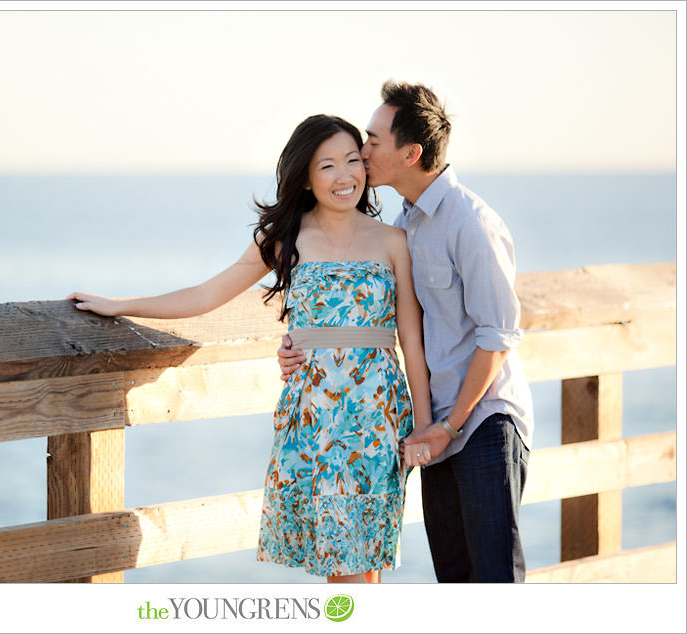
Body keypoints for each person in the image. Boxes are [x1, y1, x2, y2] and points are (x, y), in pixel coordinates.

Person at [68, 114, 432, 583]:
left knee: (367, 558)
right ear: (304, 176)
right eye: (327, 166)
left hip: (377, 415)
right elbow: (205, 295)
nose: (345, 177)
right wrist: (122, 305)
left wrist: (423, 427)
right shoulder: (284, 240)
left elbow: (412, 342)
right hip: (314, 414)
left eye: (351, 161)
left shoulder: (394, 241)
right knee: (342, 560)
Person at [278, 81, 535, 583]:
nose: (363, 151)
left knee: (495, 581)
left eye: (373, 142)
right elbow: (379, 315)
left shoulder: (471, 222)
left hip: (480, 423)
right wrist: (300, 343)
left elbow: (498, 338)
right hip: (430, 428)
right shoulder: (407, 222)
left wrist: (450, 426)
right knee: (455, 582)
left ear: (411, 153)